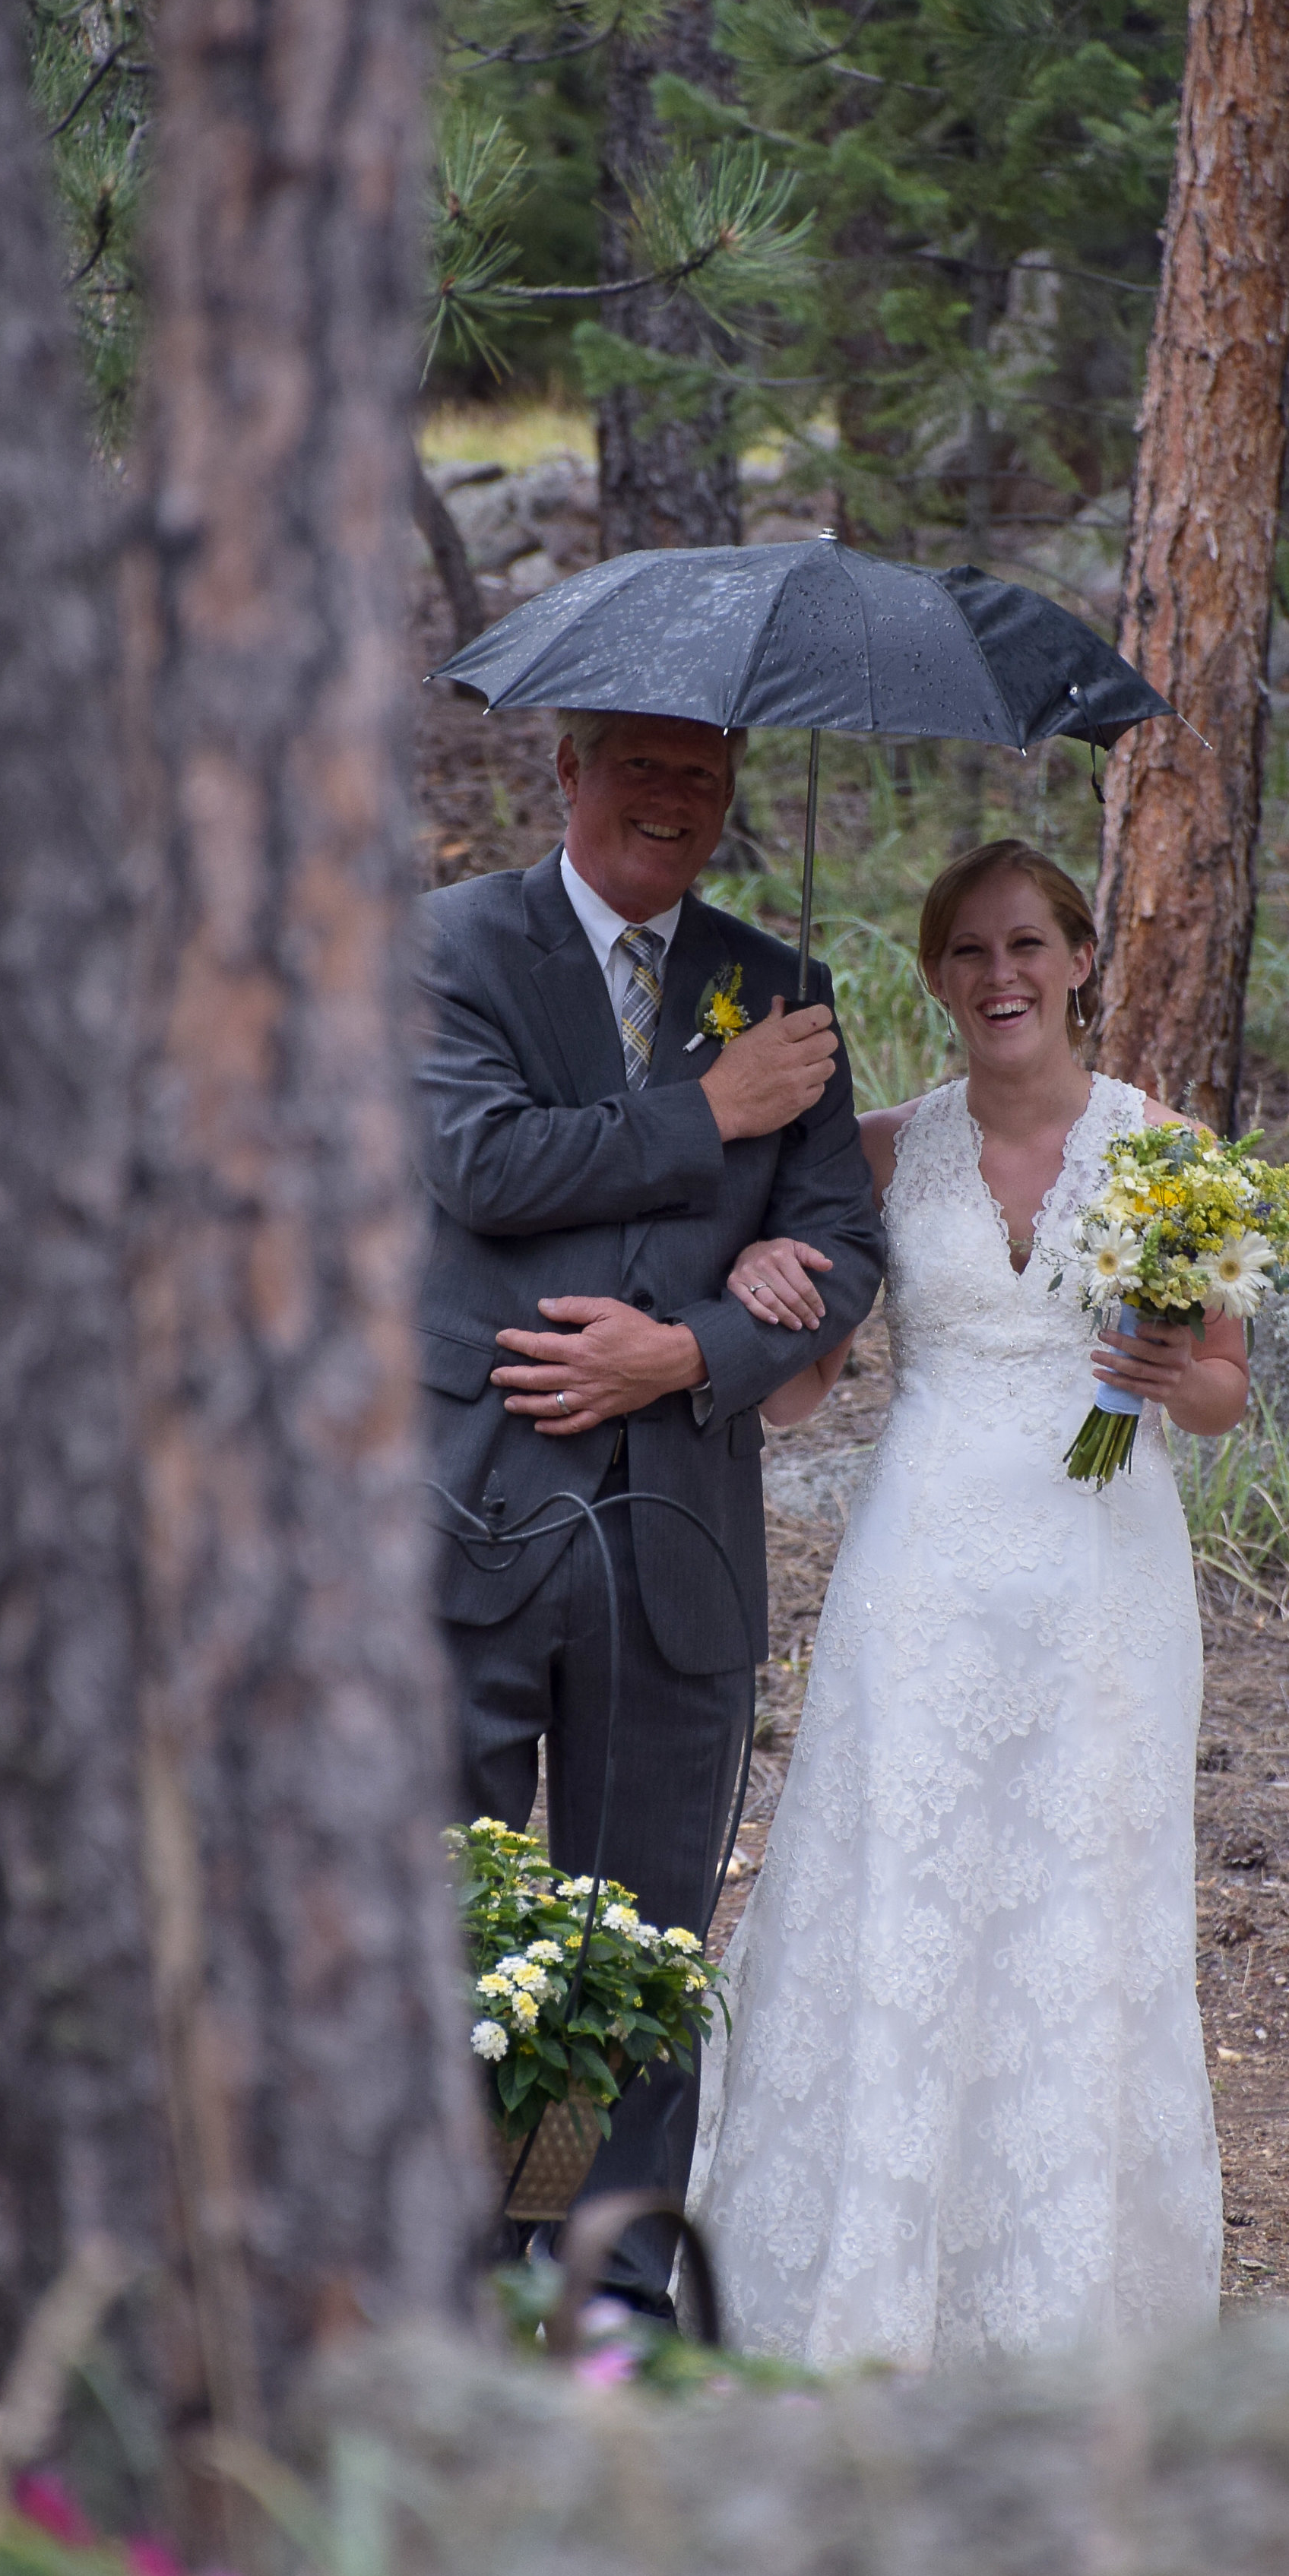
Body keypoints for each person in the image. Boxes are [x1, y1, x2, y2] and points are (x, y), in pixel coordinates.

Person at [690, 837, 1243, 2368]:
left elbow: (1217, 1397)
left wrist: (1165, 1369)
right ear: (932, 977)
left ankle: (1064, 2319)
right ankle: (841, 2297)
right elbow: (799, 1400)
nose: (1000, 977)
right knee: (899, 1882)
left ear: (1077, 958)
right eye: (966, 952)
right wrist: (763, 1285)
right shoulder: (873, 1150)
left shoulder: (1169, 1152)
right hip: (919, 1572)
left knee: (1080, 1903)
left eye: (1027, 946)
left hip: (1099, 1579)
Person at [416, 710, 885, 2318]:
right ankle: (444, 2271)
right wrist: (712, 1110)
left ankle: (602, 2274)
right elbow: (477, 1162)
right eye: (639, 765)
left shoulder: (783, 987)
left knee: (636, 1940)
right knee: (454, 1920)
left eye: (701, 775)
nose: (671, 801)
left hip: (675, 1539)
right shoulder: (452, 945)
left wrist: (689, 1348)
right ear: (567, 771)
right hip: (465, 1527)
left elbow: (840, 1244)